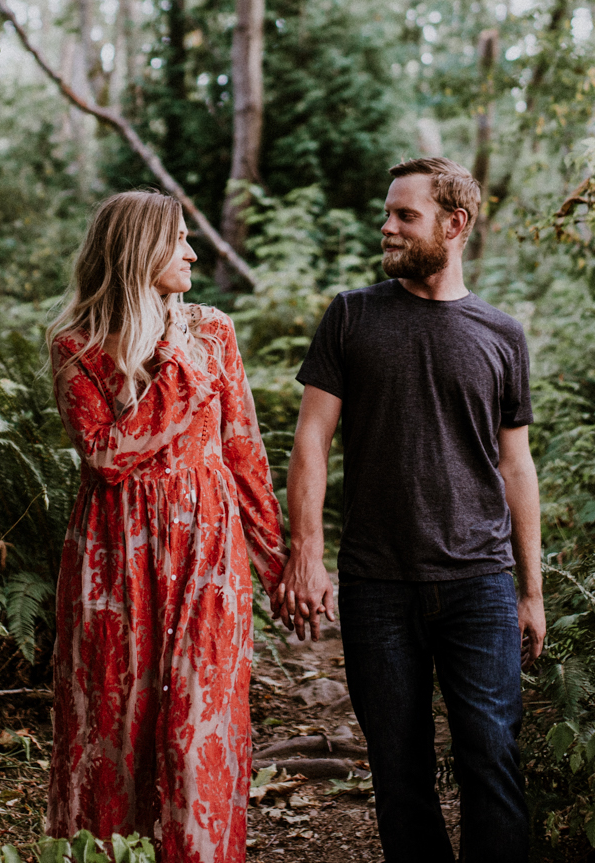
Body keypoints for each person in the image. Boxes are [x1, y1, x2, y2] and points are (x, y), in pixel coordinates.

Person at [274, 156, 542, 862]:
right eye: (386, 213)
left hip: (480, 583)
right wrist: (306, 550)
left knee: (492, 759)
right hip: (377, 583)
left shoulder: (501, 333)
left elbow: (516, 465)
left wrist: (531, 590)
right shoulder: (352, 315)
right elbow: (311, 437)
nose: (386, 227)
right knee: (400, 774)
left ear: (454, 225)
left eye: (404, 216)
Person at [45, 191, 286, 862]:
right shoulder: (78, 344)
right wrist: (175, 370)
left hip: (207, 551)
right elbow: (107, 454)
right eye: (178, 239)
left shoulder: (214, 331)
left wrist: (278, 568)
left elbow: (243, 452)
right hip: (112, 558)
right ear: (137, 251)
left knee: (194, 738)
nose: (192, 252)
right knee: (114, 741)